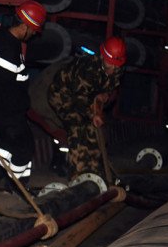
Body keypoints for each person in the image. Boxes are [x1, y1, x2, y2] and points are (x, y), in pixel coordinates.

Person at [0, 0, 47, 190]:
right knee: (25, 147)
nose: (32, 35)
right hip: (5, 110)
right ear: (24, 26)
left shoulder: (4, 38)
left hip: (7, 108)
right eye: (32, 31)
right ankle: (16, 187)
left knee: (9, 144)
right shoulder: (7, 48)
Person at [48, 36, 126, 181]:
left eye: (117, 65)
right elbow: (79, 100)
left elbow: (111, 87)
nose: (113, 69)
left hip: (88, 97)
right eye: (111, 65)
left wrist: (104, 95)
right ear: (103, 56)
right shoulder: (88, 69)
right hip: (64, 96)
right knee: (77, 128)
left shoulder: (117, 68)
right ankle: (77, 175)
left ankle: (94, 171)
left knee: (94, 131)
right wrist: (92, 115)